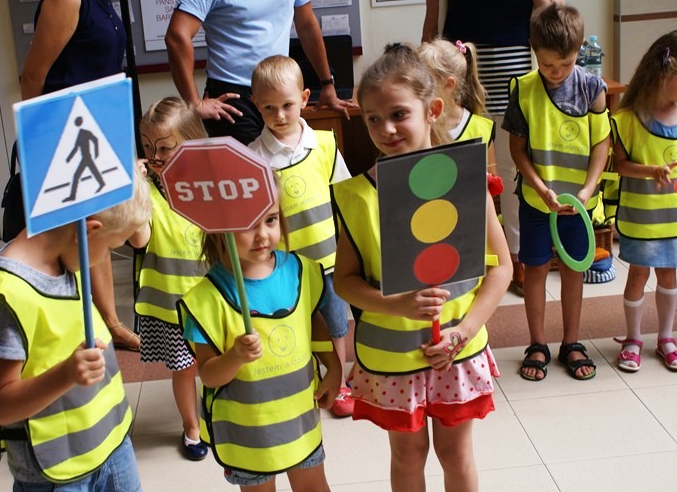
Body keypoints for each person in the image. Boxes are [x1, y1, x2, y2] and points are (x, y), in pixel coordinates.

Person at [331, 43, 512, 491]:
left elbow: (501, 268)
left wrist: (464, 331)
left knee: (455, 453)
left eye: (398, 114)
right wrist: (396, 304)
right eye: (373, 118)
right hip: (392, 356)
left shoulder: (467, 181)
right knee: (407, 455)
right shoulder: (357, 197)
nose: (386, 128)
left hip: (457, 347)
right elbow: (345, 282)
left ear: (432, 110)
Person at [0, 170, 152, 489]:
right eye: (110, 247)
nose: (105, 256)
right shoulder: (9, 296)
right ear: (88, 231)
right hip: (55, 471)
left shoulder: (67, 254)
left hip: (111, 445)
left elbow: (140, 236)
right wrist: (66, 374)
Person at [178, 196, 342, 491]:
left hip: (300, 420)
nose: (263, 234)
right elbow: (209, 374)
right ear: (219, 230)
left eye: (271, 220)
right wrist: (235, 356)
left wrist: (333, 367)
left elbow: (313, 322)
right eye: (247, 225)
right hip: (249, 436)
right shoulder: (207, 299)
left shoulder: (299, 271)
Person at [423, 0, 564, 296]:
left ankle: (516, 257)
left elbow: (557, 21)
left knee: (514, 175)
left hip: (518, 89)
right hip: (460, 90)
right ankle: (461, 258)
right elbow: (431, 31)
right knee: (459, 175)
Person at [19, 0, 138, 352]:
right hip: (66, 131)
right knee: (76, 232)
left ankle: (110, 323)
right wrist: (41, 142)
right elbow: (33, 76)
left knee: (97, 227)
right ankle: (80, 325)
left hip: (97, 125)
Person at [504, 4, 611, 381]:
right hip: (537, 202)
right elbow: (517, 150)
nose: (556, 72)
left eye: (565, 63)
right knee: (534, 269)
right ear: (534, 50)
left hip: (578, 205)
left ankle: (571, 342)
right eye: (548, 64)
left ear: (578, 50)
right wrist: (540, 188)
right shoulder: (523, 89)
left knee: (573, 269)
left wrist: (588, 189)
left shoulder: (593, 88)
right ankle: (537, 343)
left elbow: (601, 144)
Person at [248, 55, 354, 417]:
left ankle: (340, 382)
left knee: (336, 323)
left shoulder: (324, 143)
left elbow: (345, 198)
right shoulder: (253, 157)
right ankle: (305, 380)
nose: (279, 115)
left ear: (305, 98)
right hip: (285, 266)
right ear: (256, 105)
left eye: (287, 105)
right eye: (269, 107)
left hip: (329, 261)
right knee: (297, 322)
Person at [164, 0, 356, 145]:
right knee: (250, 166)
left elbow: (306, 26)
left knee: (285, 162)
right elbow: (176, 36)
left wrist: (327, 84)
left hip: (278, 88)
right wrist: (194, 104)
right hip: (234, 98)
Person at [133, 97, 210, 460]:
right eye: (148, 147)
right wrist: (135, 189)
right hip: (169, 305)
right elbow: (139, 240)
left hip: (211, 301)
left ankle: (219, 416)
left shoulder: (211, 184)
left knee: (218, 362)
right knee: (185, 369)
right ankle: (192, 428)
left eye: (164, 148)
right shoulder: (148, 192)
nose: (155, 156)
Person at [610, 31, 677, 372]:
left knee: (669, 274)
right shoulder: (628, 119)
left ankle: (666, 338)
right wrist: (651, 171)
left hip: (673, 219)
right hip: (641, 218)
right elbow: (619, 165)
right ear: (664, 73)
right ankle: (633, 339)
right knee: (638, 274)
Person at [418, 38, 495, 155]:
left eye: (425, 81)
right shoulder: (414, 123)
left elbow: (490, 167)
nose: (416, 88)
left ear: (449, 84)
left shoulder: (481, 128)